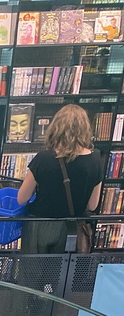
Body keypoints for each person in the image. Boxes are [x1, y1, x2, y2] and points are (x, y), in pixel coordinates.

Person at [17, 104, 103, 254]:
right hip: (72, 229)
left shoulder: (43, 159)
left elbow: (22, 198)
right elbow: (92, 205)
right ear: (85, 129)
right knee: (63, 274)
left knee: (34, 274)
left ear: (56, 128)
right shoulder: (95, 159)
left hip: (41, 227)